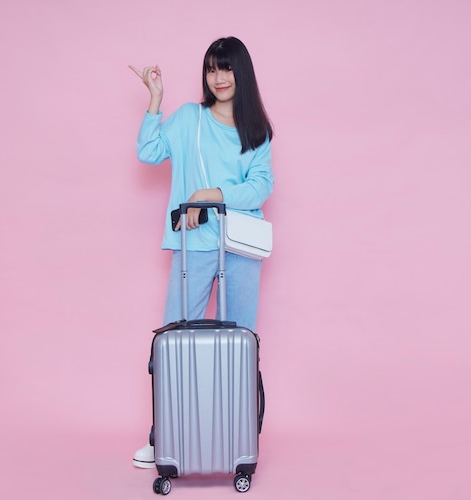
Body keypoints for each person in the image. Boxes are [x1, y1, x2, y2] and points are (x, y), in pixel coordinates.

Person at [129, 36, 274, 469]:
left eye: (226, 68)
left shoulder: (256, 132)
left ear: (240, 73)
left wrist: (213, 194)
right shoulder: (189, 119)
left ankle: (236, 437)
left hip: (240, 249)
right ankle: (165, 437)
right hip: (193, 249)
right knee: (173, 341)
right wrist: (155, 102)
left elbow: (261, 185)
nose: (219, 77)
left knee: (240, 344)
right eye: (212, 68)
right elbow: (149, 152)